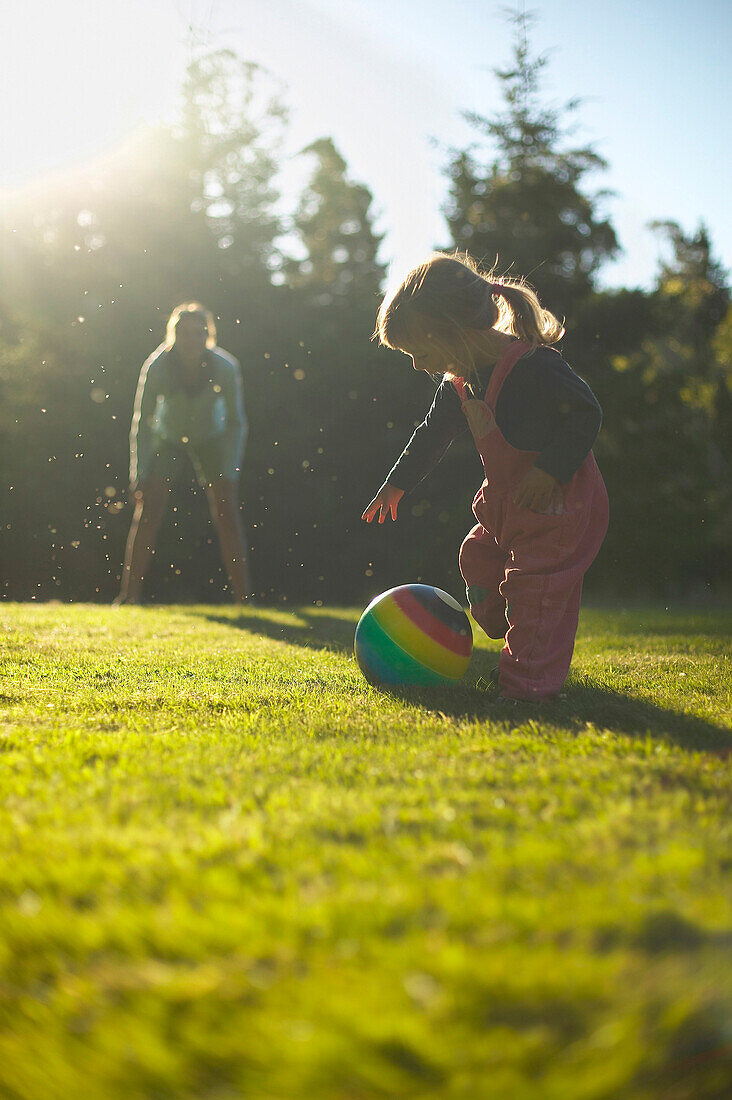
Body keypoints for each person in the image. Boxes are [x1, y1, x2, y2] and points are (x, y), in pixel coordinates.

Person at [362, 252, 609, 702]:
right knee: (477, 558)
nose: (420, 366)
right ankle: (507, 620)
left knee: (536, 595)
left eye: (421, 352)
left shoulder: (535, 366)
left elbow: (585, 415)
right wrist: (396, 483)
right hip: (505, 503)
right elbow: (431, 434)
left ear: (455, 329)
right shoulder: (459, 381)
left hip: (558, 508)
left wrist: (549, 470)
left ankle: (524, 689)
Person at [115, 302, 251, 604]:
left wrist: (230, 470)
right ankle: (129, 596)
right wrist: (140, 473)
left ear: (209, 336)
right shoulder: (157, 366)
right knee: (148, 511)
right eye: (184, 333)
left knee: (227, 513)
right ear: (173, 335)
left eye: (198, 333)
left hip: (212, 439)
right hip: (169, 439)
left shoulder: (225, 367)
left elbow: (236, 422)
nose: (191, 340)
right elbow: (143, 421)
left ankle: (244, 599)